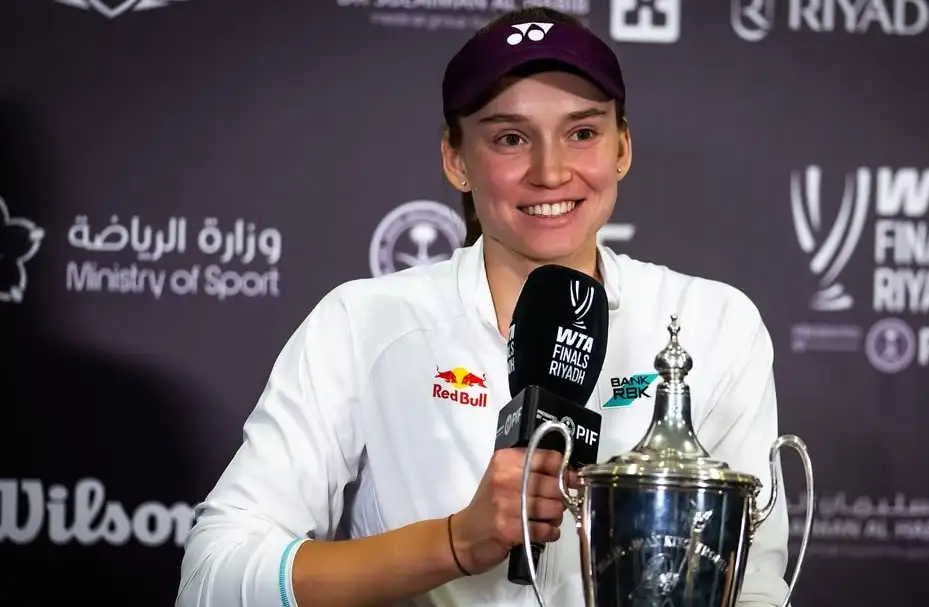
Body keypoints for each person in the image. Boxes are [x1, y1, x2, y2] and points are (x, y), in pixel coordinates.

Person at [176, 7, 792, 607]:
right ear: (456, 160)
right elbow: (212, 580)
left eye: (582, 133)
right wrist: (454, 543)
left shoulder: (713, 324)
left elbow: (754, 584)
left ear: (622, 148)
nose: (551, 172)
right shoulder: (364, 323)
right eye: (510, 138)